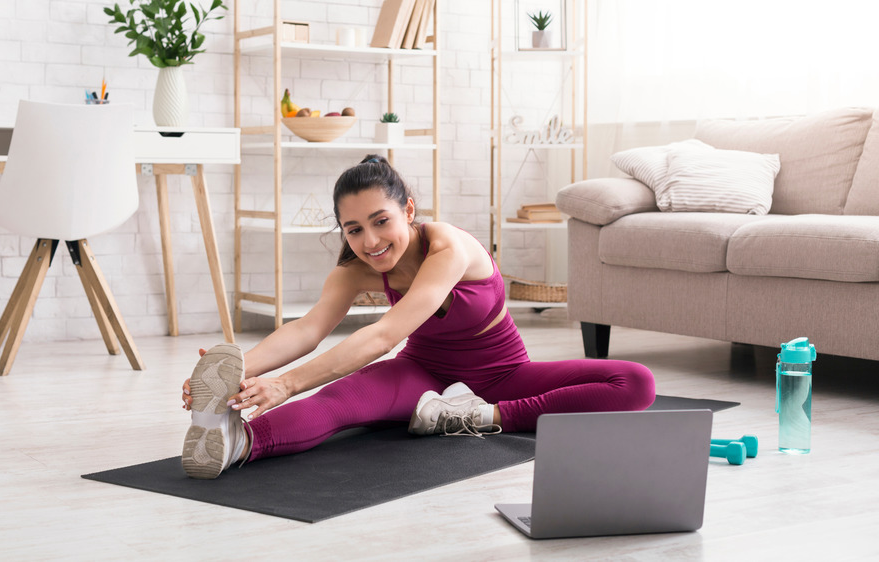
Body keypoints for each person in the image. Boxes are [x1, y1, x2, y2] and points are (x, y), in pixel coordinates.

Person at [180, 154, 656, 479]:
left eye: (381, 221)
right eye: (354, 229)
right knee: (336, 403)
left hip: (503, 377)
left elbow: (385, 333)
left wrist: (286, 384)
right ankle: (236, 444)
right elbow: (306, 329)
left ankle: (481, 417)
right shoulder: (353, 271)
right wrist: (240, 372)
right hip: (422, 375)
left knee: (636, 382)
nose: (370, 242)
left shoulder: (448, 247)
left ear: (407, 209)